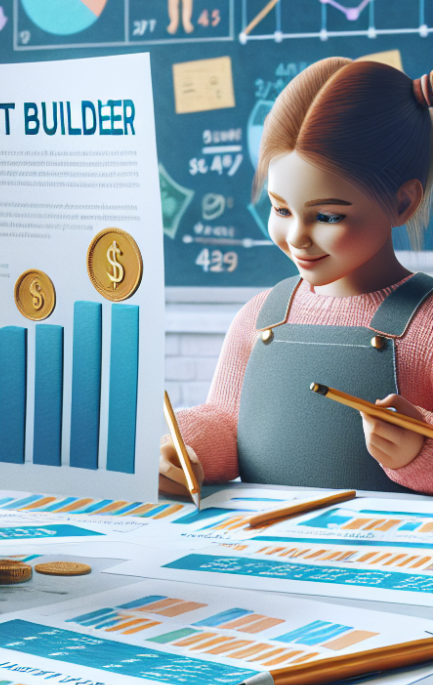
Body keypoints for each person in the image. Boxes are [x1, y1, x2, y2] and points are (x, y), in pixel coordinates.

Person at [160, 58, 433, 495]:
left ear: (402, 203)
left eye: (327, 215)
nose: (297, 236)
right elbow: (229, 420)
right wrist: (185, 450)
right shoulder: (261, 315)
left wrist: (418, 452)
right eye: (280, 209)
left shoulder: (427, 325)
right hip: (264, 548)